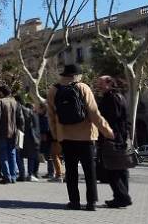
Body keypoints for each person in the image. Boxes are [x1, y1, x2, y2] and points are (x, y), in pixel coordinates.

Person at [47, 64, 113, 211]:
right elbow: (94, 113)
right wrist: (107, 131)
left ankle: (74, 202)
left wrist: (56, 135)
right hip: (86, 136)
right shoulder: (83, 87)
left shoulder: (53, 90)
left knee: (70, 171)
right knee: (90, 171)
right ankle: (91, 202)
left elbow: (51, 116)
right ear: (77, 76)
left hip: (66, 137)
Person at [96, 75, 133, 208]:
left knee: (112, 169)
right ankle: (120, 197)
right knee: (121, 168)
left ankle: (123, 197)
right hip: (121, 137)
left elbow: (111, 119)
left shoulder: (111, 98)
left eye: (101, 83)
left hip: (113, 137)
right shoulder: (119, 96)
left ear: (110, 83)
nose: (98, 86)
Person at [0, 84, 24, 184]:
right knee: (12, 154)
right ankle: (13, 176)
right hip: (13, 132)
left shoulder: (0, 102)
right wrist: (20, 131)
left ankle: (7, 176)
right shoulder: (15, 102)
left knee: (3, 155)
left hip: (2, 132)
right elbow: (21, 119)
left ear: (1, 92)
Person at [18, 101, 41, 182]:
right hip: (33, 138)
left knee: (20, 156)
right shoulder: (34, 114)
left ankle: (23, 173)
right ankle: (30, 174)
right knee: (31, 157)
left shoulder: (25, 114)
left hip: (24, 137)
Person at [37, 103, 55, 179]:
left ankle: (51, 172)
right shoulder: (42, 116)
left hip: (46, 138)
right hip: (45, 138)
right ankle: (50, 172)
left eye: (40, 109)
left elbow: (46, 128)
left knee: (49, 156)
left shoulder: (45, 117)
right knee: (47, 156)